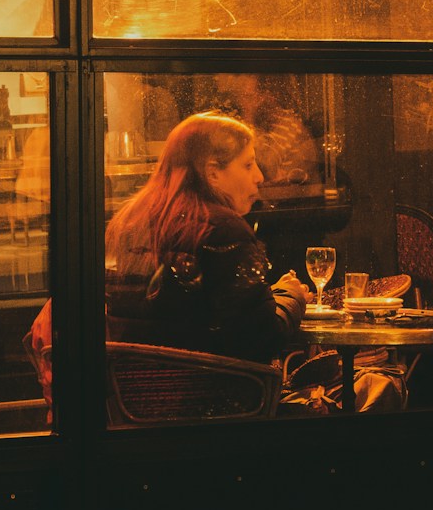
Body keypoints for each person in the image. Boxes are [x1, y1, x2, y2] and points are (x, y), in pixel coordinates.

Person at [105, 111, 310, 363]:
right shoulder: (224, 230)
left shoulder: (129, 221)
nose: (259, 176)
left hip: (132, 393)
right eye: (247, 164)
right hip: (210, 393)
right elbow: (261, 338)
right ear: (212, 173)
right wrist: (292, 298)